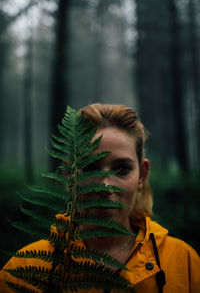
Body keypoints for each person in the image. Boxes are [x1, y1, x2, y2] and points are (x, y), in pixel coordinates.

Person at [0, 103, 200, 293]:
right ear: (68, 175)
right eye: (89, 168)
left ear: (142, 174)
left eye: (122, 169)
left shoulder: (185, 264)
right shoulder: (21, 272)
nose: (104, 186)